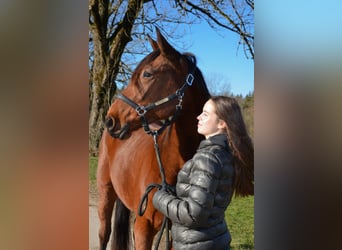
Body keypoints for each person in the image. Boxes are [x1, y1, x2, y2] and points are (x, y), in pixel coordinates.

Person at [152, 95, 254, 250]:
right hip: (214, 240)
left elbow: (193, 215)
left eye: (205, 114)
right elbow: (207, 198)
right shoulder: (226, 153)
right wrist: (175, 193)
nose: (198, 117)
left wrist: (158, 197)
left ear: (221, 123)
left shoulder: (207, 158)